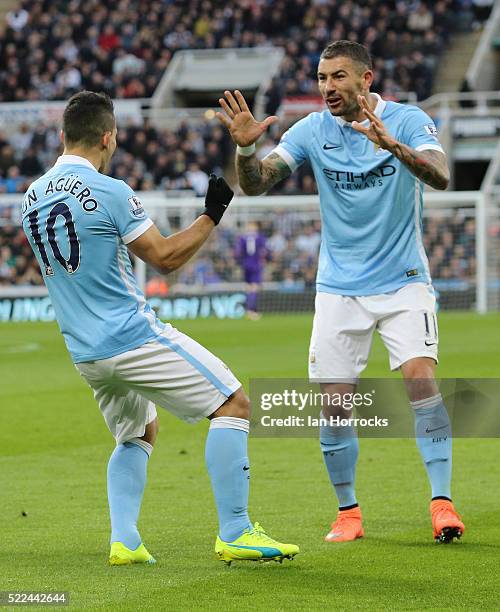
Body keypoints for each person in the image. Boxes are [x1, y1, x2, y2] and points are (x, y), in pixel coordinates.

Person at [22, 91, 298, 566]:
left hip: (85, 353)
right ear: (109, 137)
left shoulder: (29, 197)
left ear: (64, 135)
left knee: (138, 433)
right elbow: (165, 257)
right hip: (130, 337)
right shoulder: (110, 190)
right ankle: (235, 530)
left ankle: (125, 541)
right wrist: (211, 214)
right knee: (233, 402)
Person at [217, 41, 465, 544]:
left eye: (338, 77)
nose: (327, 87)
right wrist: (246, 148)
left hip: (403, 282)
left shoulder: (410, 120)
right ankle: (348, 512)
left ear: (366, 79)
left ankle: (442, 503)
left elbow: (440, 176)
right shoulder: (312, 129)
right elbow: (258, 183)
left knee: (421, 380)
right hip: (339, 287)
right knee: (334, 404)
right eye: (321, 77)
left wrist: (392, 144)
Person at [235, 221, 268, 320]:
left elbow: (237, 252)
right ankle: (251, 311)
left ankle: (249, 310)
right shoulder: (260, 237)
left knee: (249, 288)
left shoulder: (242, 238)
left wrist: (239, 263)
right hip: (255, 265)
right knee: (254, 288)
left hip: (245, 265)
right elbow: (265, 251)